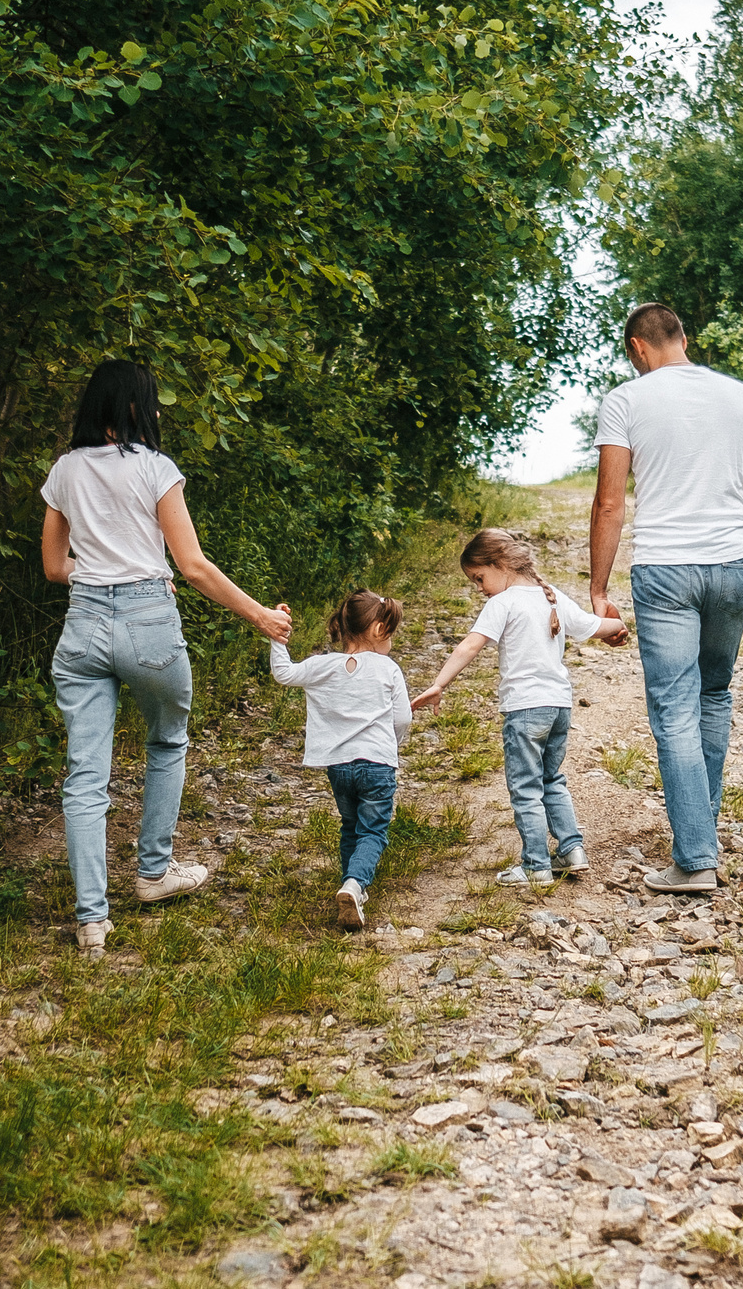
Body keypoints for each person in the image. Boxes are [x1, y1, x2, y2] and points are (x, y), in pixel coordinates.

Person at [40, 360, 292, 955]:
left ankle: (92, 919)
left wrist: (101, 571)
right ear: (132, 408)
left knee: (85, 776)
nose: (156, 414)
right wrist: (261, 615)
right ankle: (153, 873)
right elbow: (194, 566)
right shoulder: (155, 469)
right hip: (147, 620)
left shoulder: (64, 470)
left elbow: (55, 568)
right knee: (167, 740)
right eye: (151, 404)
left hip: (83, 627)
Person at [587, 303, 743, 895]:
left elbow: (608, 504)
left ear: (636, 347)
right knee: (714, 693)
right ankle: (701, 827)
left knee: (674, 709)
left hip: (666, 569)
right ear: (683, 338)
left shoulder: (625, 401)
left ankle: (696, 857)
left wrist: (598, 589)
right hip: (732, 565)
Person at [413, 529, 629, 886]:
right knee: (551, 779)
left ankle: (535, 866)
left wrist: (439, 684)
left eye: (479, 578)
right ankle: (572, 851)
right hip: (559, 706)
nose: (480, 588)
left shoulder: (504, 603)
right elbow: (599, 626)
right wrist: (618, 628)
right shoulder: (553, 597)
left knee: (526, 787)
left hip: (525, 710)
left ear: (499, 564)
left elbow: (470, 646)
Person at [269, 591, 414, 929]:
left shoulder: (323, 665)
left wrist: (277, 637)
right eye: (390, 632)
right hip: (377, 764)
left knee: (351, 825)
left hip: (339, 767)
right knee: (373, 831)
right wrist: (395, 744)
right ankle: (355, 883)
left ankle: (350, 888)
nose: (391, 639)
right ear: (378, 629)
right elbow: (403, 718)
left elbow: (284, 674)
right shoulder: (388, 669)